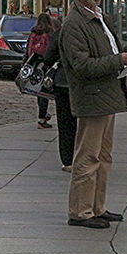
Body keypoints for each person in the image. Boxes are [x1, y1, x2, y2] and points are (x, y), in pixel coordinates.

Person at [59, 0, 127, 229]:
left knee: (104, 156)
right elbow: (82, 66)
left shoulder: (99, 17)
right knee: (87, 157)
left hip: (108, 94)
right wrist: (120, 59)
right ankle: (80, 212)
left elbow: (109, 50)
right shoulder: (74, 24)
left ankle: (97, 207)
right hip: (92, 96)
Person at [42, 19, 76, 173]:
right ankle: (83, 156)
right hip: (83, 83)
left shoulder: (60, 32)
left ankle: (67, 160)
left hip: (62, 82)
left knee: (65, 124)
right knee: (84, 124)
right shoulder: (90, 30)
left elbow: (48, 56)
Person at [25, 12, 60, 129]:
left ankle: (43, 115)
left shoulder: (33, 33)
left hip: (35, 64)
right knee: (45, 92)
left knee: (38, 91)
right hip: (46, 65)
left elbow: (27, 51)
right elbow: (53, 50)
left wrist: (25, 64)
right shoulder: (50, 33)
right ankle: (42, 118)